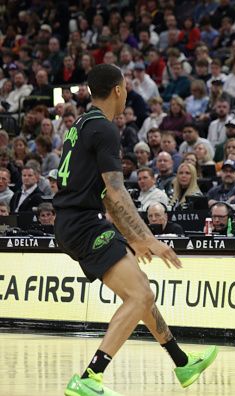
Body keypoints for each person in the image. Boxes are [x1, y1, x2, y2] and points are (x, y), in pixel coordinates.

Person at [53, 65, 217, 395]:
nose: (127, 91)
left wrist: (133, 237)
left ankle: (182, 362)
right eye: (126, 86)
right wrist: (148, 238)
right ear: (118, 90)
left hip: (77, 221)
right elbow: (115, 191)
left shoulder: (84, 124)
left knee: (140, 292)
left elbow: (105, 192)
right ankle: (89, 377)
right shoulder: (105, 129)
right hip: (83, 223)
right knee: (140, 295)